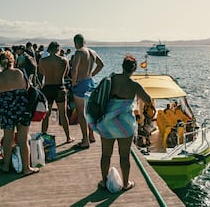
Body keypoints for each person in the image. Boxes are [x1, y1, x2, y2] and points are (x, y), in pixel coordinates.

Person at [88, 54, 154, 191]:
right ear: (134, 69)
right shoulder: (135, 86)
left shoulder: (111, 79)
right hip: (125, 125)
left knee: (106, 155)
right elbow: (148, 99)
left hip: (107, 123)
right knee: (124, 157)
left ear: (122, 66)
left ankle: (104, 182)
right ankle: (125, 184)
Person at [0, 51, 40, 176]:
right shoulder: (19, 73)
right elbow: (27, 88)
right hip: (22, 109)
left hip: (7, 110)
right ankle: (26, 168)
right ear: (12, 60)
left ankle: (5, 166)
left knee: (8, 140)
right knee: (23, 139)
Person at [71, 34, 104, 148]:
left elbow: (74, 69)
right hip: (90, 82)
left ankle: (85, 141)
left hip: (80, 83)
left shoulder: (79, 52)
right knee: (89, 112)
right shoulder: (92, 52)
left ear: (76, 43)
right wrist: (92, 74)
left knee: (81, 113)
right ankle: (91, 135)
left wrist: (73, 82)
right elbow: (101, 65)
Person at [39, 41, 74, 143]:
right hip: (59, 87)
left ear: (49, 49)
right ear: (58, 50)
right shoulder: (64, 60)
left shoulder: (43, 60)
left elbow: (41, 72)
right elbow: (67, 73)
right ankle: (68, 137)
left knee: (46, 114)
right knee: (63, 114)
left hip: (47, 87)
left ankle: (43, 135)